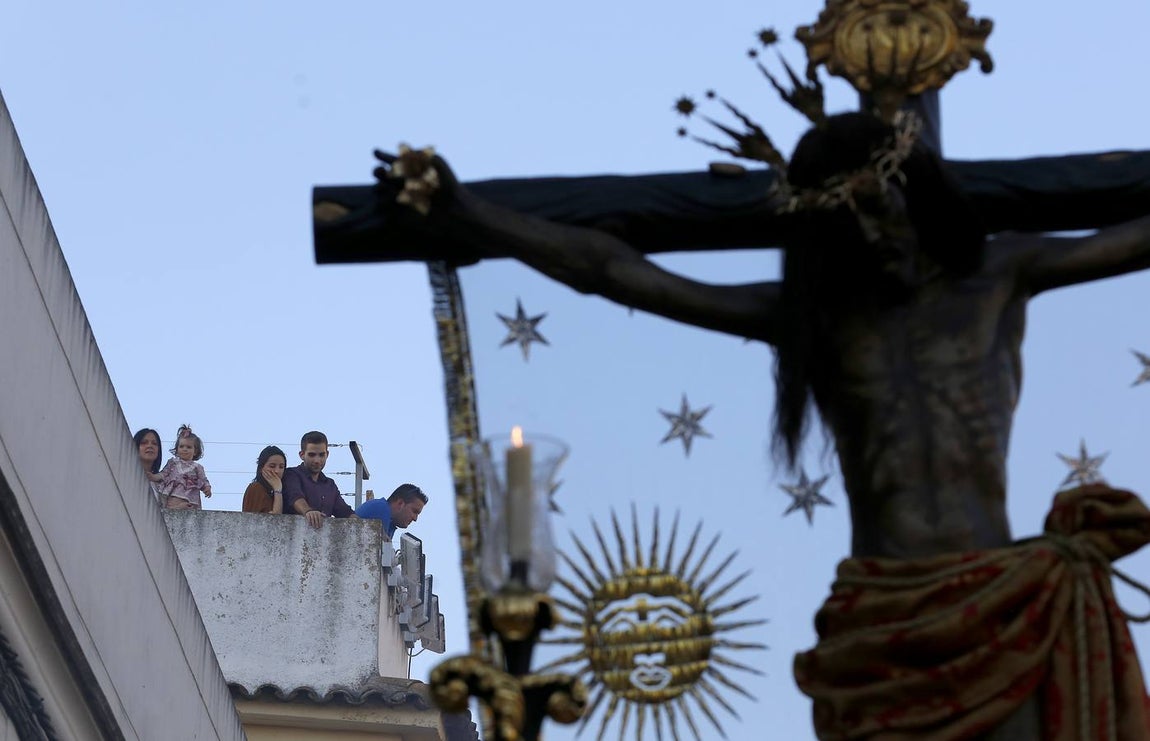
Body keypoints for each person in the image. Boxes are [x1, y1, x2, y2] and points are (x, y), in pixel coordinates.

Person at [376, 111, 1150, 739]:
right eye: (851, 226)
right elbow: (615, 270)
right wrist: (468, 211)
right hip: (879, 621)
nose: (878, 238)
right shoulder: (814, 318)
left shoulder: (998, 277)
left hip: (1003, 602)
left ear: (917, 192)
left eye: (883, 209)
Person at [281, 431, 356, 528]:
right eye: (312, 455)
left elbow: (345, 512)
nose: (317, 460)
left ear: (327, 454)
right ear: (302, 455)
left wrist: (363, 525)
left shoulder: (330, 485)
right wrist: (308, 511)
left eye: (321, 455)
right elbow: (295, 496)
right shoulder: (291, 474)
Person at [149, 424, 212, 510]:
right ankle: (174, 508)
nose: (185, 449)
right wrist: (153, 477)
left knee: (190, 509)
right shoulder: (173, 462)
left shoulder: (197, 467)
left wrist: (207, 488)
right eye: (181, 446)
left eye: (189, 447)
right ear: (177, 449)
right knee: (171, 505)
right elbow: (164, 474)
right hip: (173, 494)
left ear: (195, 451)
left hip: (190, 498)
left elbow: (203, 480)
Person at [355, 483, 428, 539]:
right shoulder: (381, 508)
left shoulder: (390, 522)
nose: (415, 519)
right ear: (400, 503)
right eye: (414, 511)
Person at [241, 445, 287, 514]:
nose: (277, 471)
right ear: (261, 468)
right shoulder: (255, 488)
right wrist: (277, 490)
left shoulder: (285, 490)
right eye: (272, 466)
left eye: (281, 467)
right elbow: (275, 520)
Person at [133, 427, 164, 505]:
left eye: (154, 443)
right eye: (144, 443)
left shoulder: (163, 484)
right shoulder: (127, 476)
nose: (150, 446)